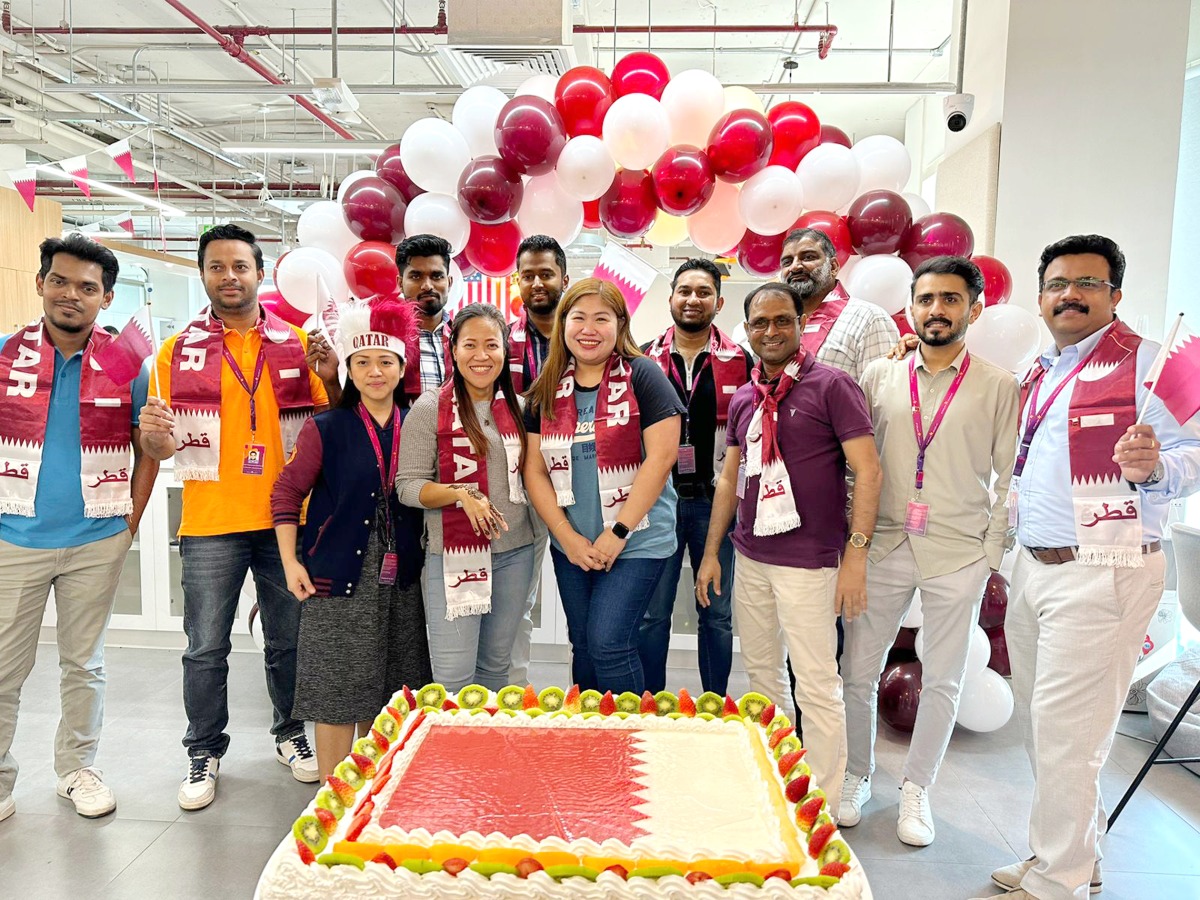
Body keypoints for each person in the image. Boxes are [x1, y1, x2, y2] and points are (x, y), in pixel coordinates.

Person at [970, 236, 1200, 900]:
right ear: (1041, 296)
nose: (1069, 294)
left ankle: (1058, 879)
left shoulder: (1146, 366)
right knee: (1047, 728)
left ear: (1116, 295)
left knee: (1071, 734)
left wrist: (1154, 465)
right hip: (1037, 567)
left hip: (1105, 570)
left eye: (1088, 284)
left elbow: (1193, 457)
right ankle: (1070, 854)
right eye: (1057, 283)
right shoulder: (1044, 368)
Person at [139, 224, 328, 811]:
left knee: (289, 641)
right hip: (210, 521)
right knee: (205, 647)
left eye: (240, 266)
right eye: (217, 267)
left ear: (259, 272)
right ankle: (202, 749)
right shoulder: (176, 353)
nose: (229, 277)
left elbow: (328, 427)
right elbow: (162, 446)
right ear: (202, 275)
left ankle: (290, 733)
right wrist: (154, 443)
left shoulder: (298, 345)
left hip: (285, 521)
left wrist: (337, 371)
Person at [841, 256, 1018, 846]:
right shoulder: (878, 376)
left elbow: (1009, 476)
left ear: (975, 307)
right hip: (885, 542)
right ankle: (856, 775)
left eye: (949, 298)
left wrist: (992, 553)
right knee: (857, 672)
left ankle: (918, 790)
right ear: (910, 308)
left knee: (944, 680)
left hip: (958, 553)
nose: (936, 310)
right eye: (926, 299)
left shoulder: (998, 386)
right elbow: (855, 463)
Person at [696, 281, 881, 816]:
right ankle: (776, 775)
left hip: (811, 563)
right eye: (760, 323)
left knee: (818, 682)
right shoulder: (746, 396)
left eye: (783, 321)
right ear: (747, 329)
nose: (771, 331)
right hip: (751, 557)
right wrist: (713, 552)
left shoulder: (832, 386)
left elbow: (868, 471)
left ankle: (817, 800)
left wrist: (857, 556)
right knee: (761, 673)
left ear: (801, 324)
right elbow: (729, 481)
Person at [0, 235, 157, 822]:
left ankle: (76, 769)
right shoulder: (3, 355)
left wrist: (130, 520)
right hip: (15, 537)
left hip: (97, 538)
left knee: (83, 664)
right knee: (3, 667)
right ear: (40, 283)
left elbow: (149, 447)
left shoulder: (128, 365)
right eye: (60, 282)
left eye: (87, 287)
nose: (71, 295)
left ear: (106, 297)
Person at [270, 299, 431, 781]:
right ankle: (332, 796)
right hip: (338, 573)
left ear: (403, 368)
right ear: (348, 369)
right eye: (362, 362)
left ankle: (375, 787)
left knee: (388, 684)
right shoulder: (327, 427)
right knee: (337, 687)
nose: (374, 371)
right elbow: (286, 491)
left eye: (386, 361)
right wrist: (290, 562)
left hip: (402, 576)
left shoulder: (419, 423)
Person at [523, 279, 684, 694]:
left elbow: (662, 458)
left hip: (637, 539)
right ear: (563, 325)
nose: (588, 328)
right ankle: (589, 741)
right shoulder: (548, 385)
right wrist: (567, 537)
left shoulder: (643, 374)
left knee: (610, 643)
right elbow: (534, 470)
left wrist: (618, 533)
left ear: (620, 324)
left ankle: (628, 742)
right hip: (572, 542)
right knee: (585, 645)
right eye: (578, 318)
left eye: (601, 318)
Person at [397, 303, 535, 692]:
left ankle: (483, 754)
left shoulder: (521, 409)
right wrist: (460, 494)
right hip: (452, 558)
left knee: (496, 671)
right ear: (452, 350)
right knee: (454, 679)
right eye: (470, 344)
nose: (481, 355)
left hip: (515, 554)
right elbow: (407, 486)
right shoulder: (429, 409)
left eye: (491, 345)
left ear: (505, 351)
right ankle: (451, 754)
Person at [638, 259, 752, 695]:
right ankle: (651, 705)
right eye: (684, 290)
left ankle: (715, 705)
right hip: (659, 501)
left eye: (703, 292)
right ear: (670, 298)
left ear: (719, 303)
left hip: (716, 502)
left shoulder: (742, 361)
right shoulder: (642, 358)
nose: (692, 299)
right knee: (653, 613)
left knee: (716, 612)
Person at [506, 234, 568, 685]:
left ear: (564, 277)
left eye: (546, 273)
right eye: (528, 275)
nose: (538, 283)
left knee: (585, 594)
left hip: (580, 482)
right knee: (517, 601)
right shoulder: (500, 342)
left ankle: (594, 693)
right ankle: (515, 692)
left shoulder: (585, 336)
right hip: (515, 485)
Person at [778, 228, 900, 380]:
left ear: (834, 267)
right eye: (787, 262)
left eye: (808, 257)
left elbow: (880, 396)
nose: (795, 267)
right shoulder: (770, 323)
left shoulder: (869, 318)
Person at [397, 234, 455, 398]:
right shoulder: (387, 337)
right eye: (416, 276)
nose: (427, 286)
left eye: (437, 276)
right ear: (400, 283)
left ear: (449, 282)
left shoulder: (464, 336)